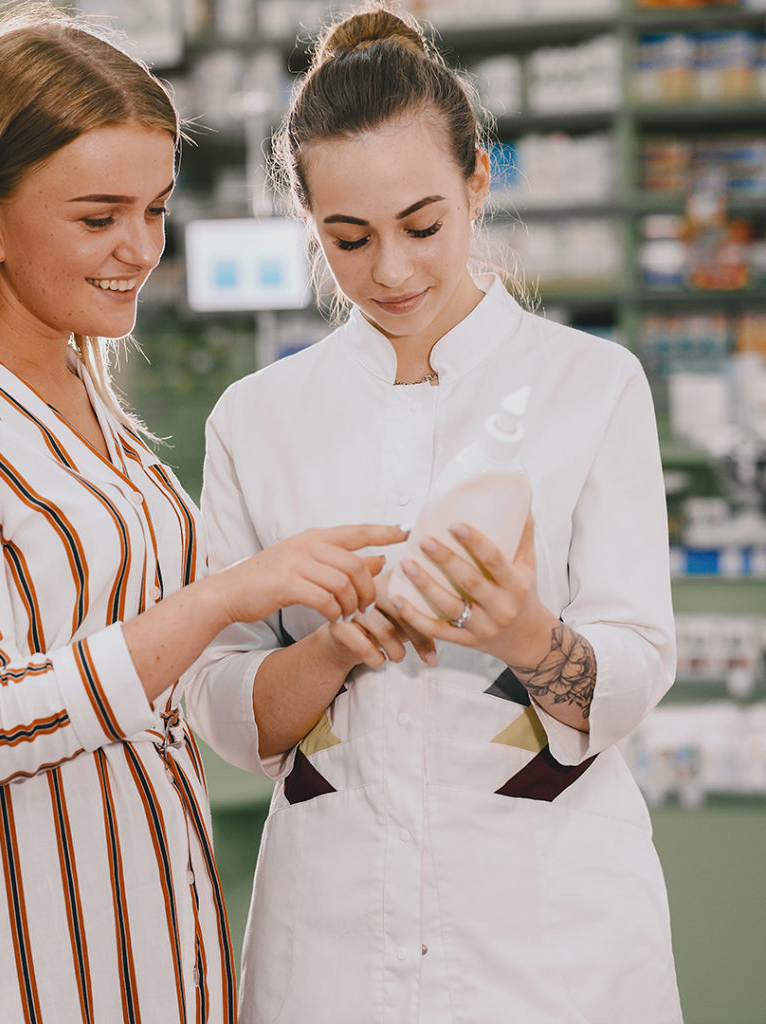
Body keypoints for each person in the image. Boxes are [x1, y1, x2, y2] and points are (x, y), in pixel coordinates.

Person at [0, 7, 405, 1023]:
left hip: (146, 919)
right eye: (98, 218)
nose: (139, 248)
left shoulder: (89, 396)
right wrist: (226, 594)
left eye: (155, 209)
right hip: (5, 944)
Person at [185, 7, 683, 1023]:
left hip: (552, 943)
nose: (392, 272)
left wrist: (522, 633)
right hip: (331, 947)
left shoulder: (592, 385)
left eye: (421, 225)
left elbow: (633, 669)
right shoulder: (257, 419)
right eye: (348, 239)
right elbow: (223, 705)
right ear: (308, 221)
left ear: (477, 181)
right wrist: (331, 650)